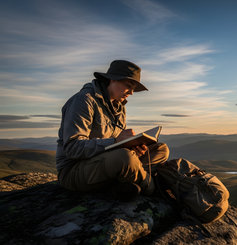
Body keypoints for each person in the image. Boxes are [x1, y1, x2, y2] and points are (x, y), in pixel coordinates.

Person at [56, 60, 169, 200]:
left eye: (133, 88)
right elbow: (72, 148)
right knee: (124, 158)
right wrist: (116, 142)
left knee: (161, 149)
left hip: (106, 162)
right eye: (128, 86)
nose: (132, 93)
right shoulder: (84, 101)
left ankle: (124, 182)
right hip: (75, 171)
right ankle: (153, 187)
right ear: (112, 79)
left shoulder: (119, 107)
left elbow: (118, 146)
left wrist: (133, 146)